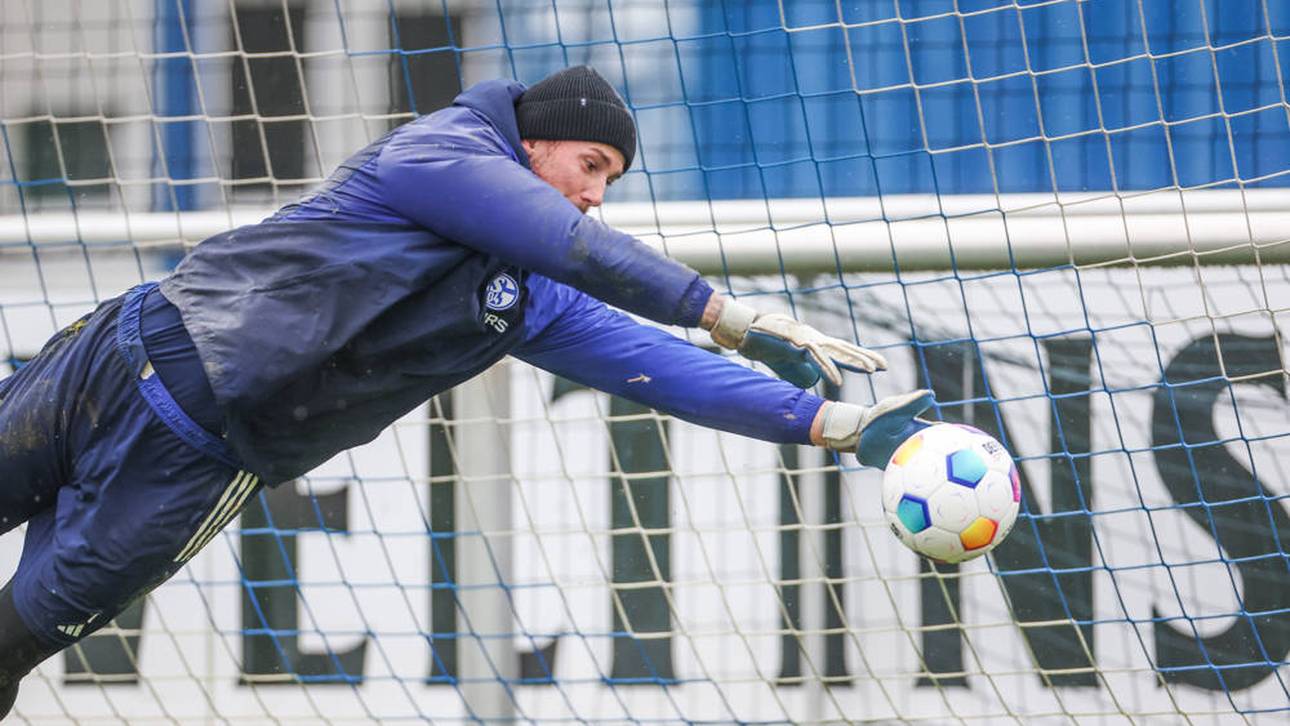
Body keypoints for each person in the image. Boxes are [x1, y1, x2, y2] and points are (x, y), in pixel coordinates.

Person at [0, 65, 932, 715]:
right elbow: (577, 247)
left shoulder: (520, 303)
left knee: (11, 646)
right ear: (537, 141)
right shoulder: (435, 153)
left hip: (196, 465)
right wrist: (722, 308)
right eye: (592, 168)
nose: (598, 197)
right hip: (123, 359)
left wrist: (831, 422)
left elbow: (657, 370)